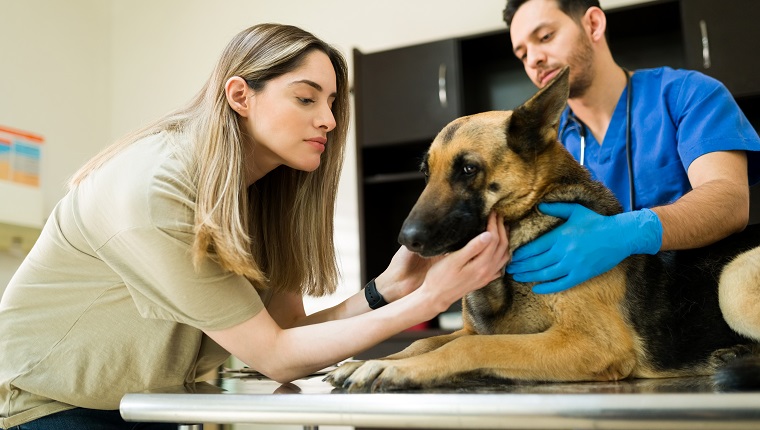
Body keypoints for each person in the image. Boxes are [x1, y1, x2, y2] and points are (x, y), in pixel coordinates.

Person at [0, 23, 510, 429]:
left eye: (332, 103)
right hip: (47, 406)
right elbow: (277, 359)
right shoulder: (154, 188)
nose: (329, 121)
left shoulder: (267, 193)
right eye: (306, 98)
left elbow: (287, 335)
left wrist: (387, 290)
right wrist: (429, 301)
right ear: (240, 96)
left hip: (141, 403)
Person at [501, 0, 760, 294]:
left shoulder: (688, 94)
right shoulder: (546, 147)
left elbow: (730, 202)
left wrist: (630, 232)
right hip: (605, 322)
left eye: (545, 37)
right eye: (522, 54)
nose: (533, 58)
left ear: (593, 24)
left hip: (702, 306)